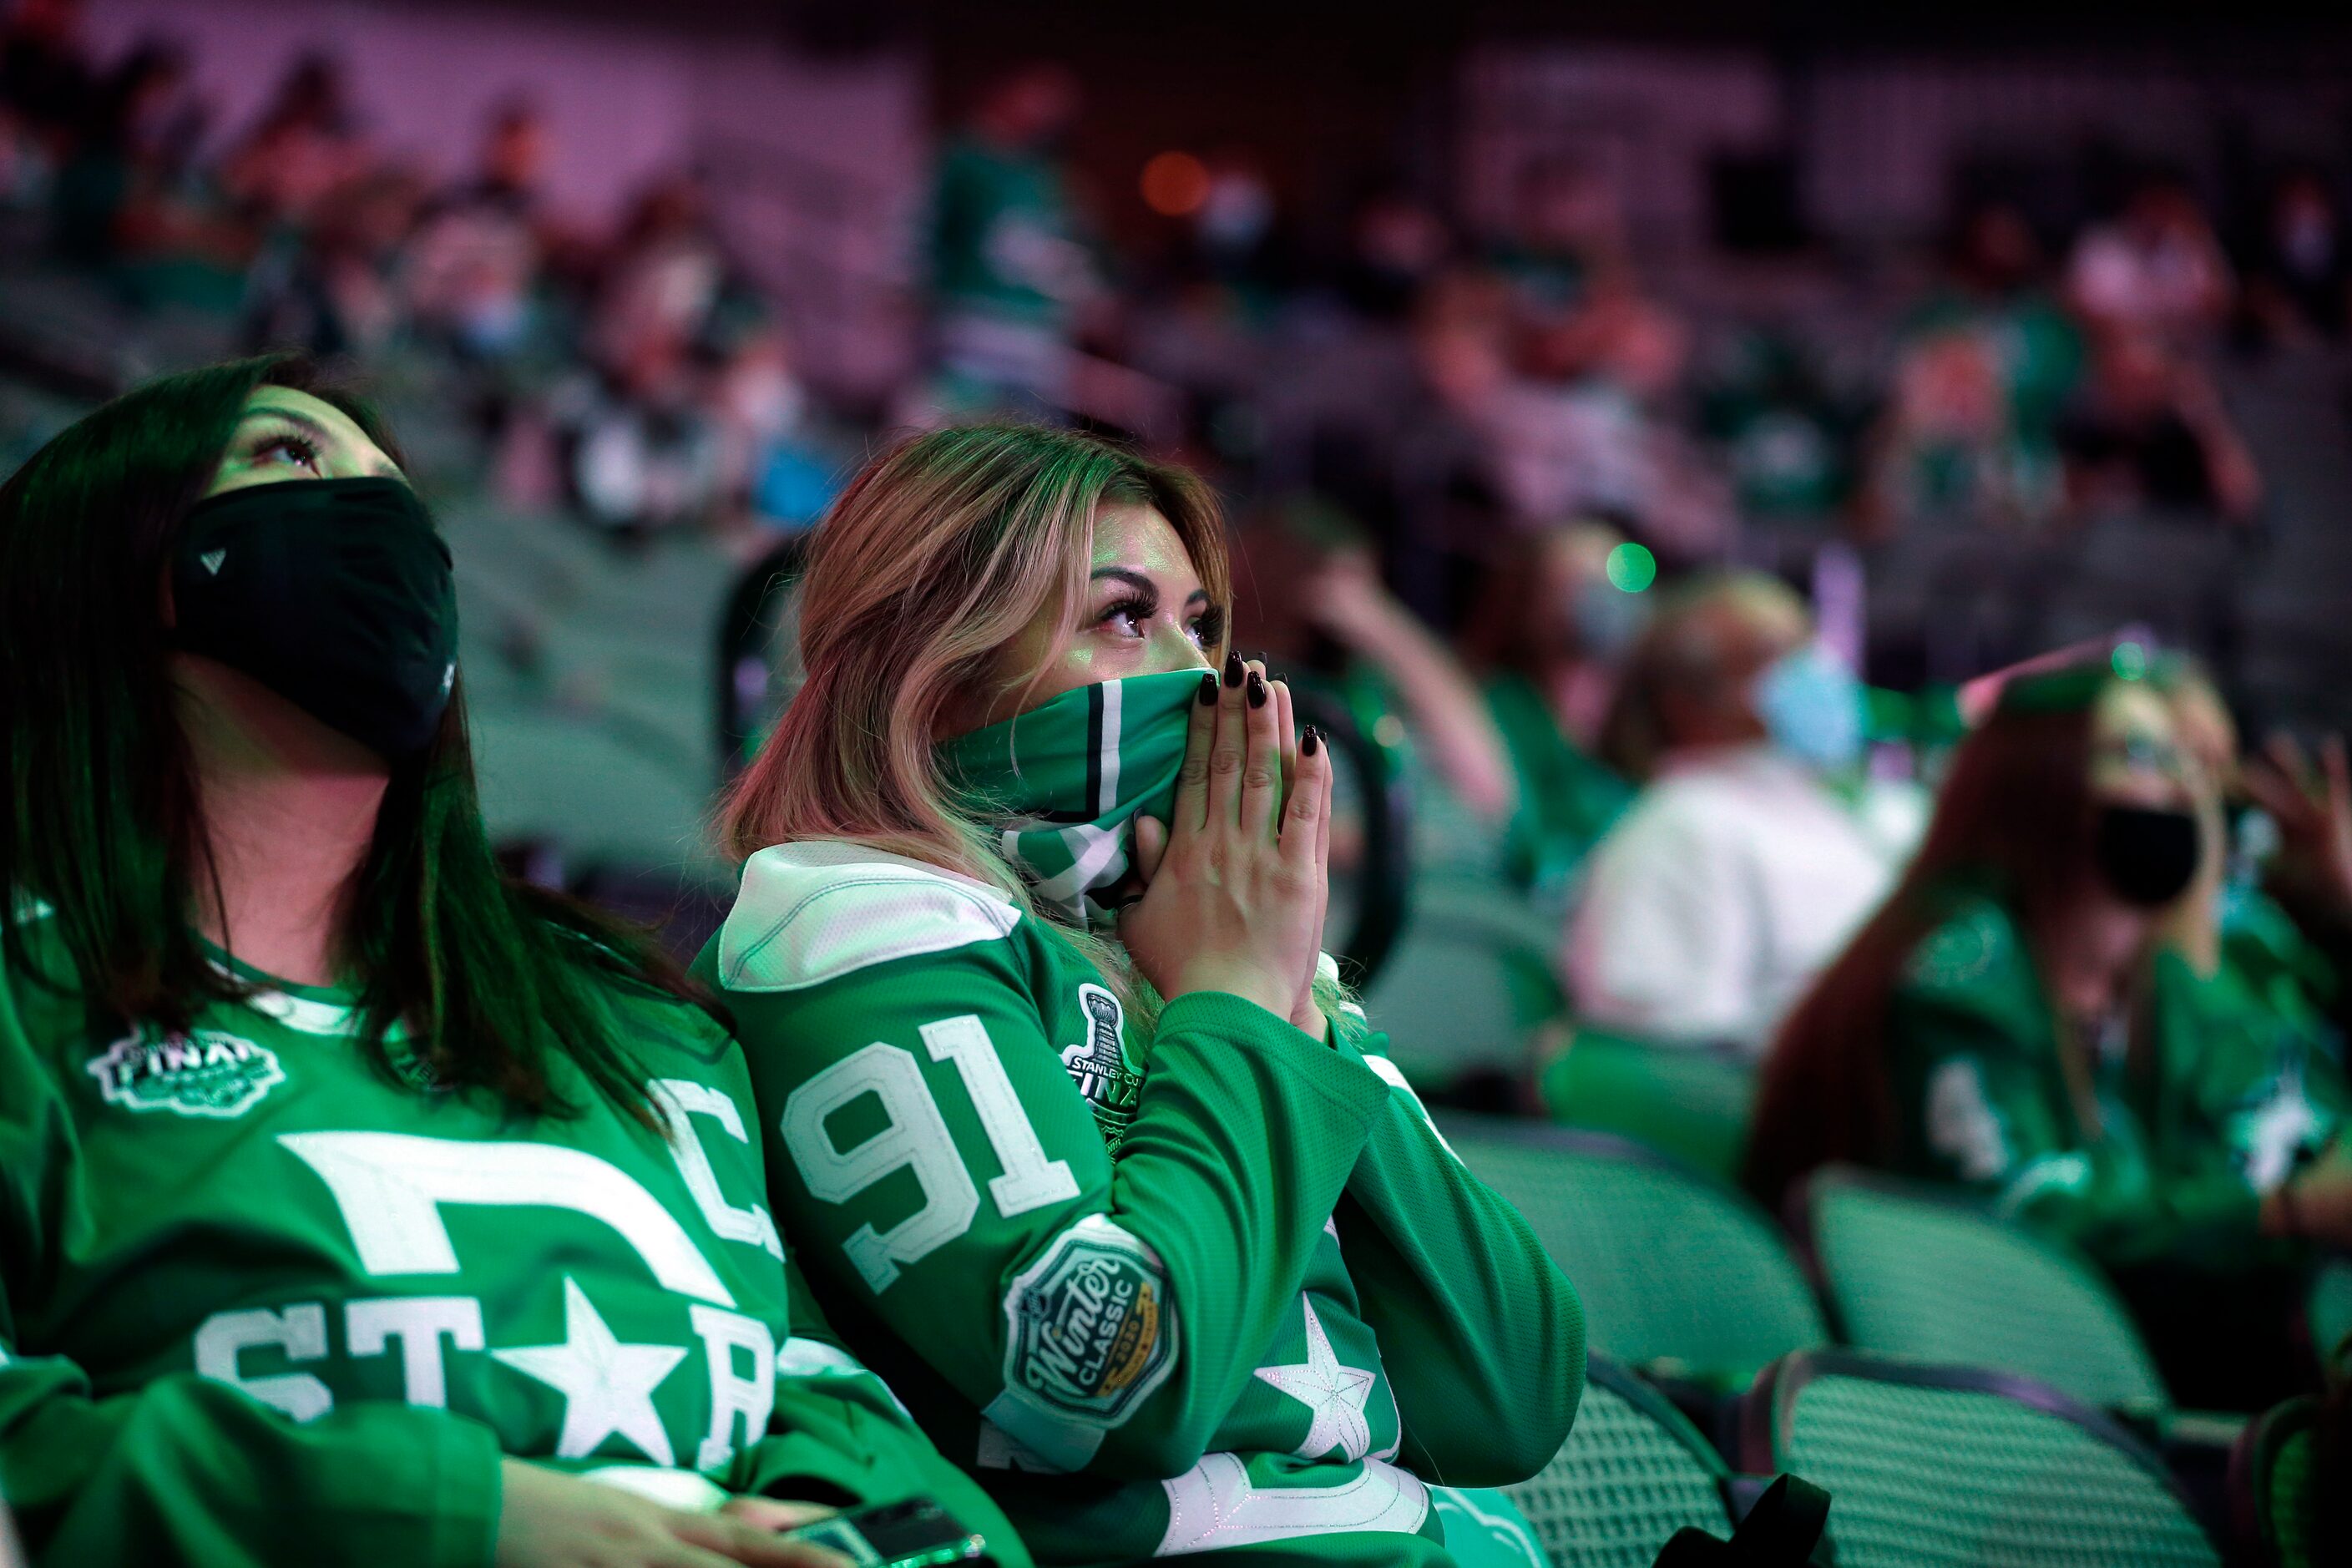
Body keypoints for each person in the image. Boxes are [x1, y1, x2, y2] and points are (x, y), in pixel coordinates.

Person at [0, 356, 1022, 1566]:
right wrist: (464, 1517)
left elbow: (834, 1402)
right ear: (98, 561)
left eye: (402, 492)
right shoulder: (31, 1003)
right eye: (288, 455)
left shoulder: (635, 1018)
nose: (380, 516)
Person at [702, 424, 1580, 1566]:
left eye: (1200, 624)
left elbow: (1508, 1395)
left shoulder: (1188, 930)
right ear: (938, 664)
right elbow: (1117, 1380)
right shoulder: (854, 919)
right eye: (1126, 617)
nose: (1197, 673)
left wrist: (1289, 1002)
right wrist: (1238, 1007)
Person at [1745, 664, 2352, 1406]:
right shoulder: (1962, 968)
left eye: (2194, 766)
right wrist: (2282, 1210)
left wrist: (2335, 918)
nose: (2186, 792)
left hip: (2093, 1368)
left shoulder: (2150, 975)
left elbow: (2274, 1129)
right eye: (2138, 756)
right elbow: (2030, 1222)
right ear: (2039, 781)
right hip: (1954, 1397)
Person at [1561, 573, 1916, 1055]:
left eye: (1808, 646)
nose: (1817, 671)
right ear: (1685, 702)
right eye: (1776, 656)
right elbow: (1678, 1060)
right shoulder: (1679, 829)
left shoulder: (1843, 806)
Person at [1457, 522, 1640, 898]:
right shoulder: (1502, 705)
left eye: (1613, 583)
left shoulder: (1639, 714)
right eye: (1579, 585)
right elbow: (1522, 837)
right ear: (1529, 602)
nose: (1600, 602)